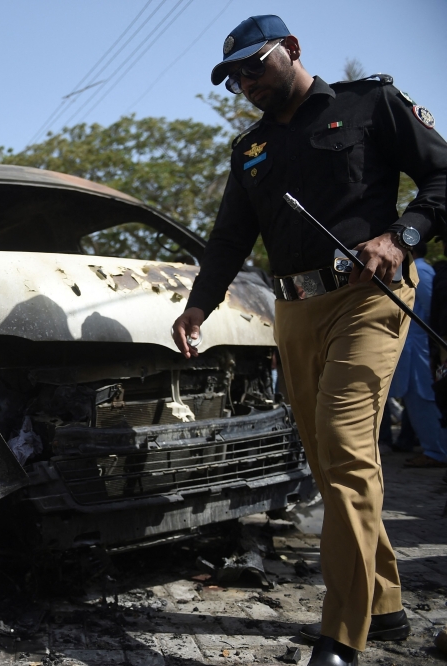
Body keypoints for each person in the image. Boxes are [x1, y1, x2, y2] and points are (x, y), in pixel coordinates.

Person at [171, 15, 447, 666]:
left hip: (366, 300)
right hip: (292, 312)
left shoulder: (368, 103)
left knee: (347, 453)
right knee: (328, 468)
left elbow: (442, 176)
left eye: (254, 66)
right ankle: (384, 607)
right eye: (233, 76)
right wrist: (197, 306)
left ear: (291, 50)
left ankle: (340, 636)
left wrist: (402, 236)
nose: (245, 82)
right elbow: (230, 238)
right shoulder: (250, 151)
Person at [389, 242, 447, 469]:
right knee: (416, 399)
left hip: (420, 348)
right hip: (414, 347)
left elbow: (432, 311)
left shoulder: (419, 270)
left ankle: (437, 451)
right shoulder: (413, 270)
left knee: (424, 397)